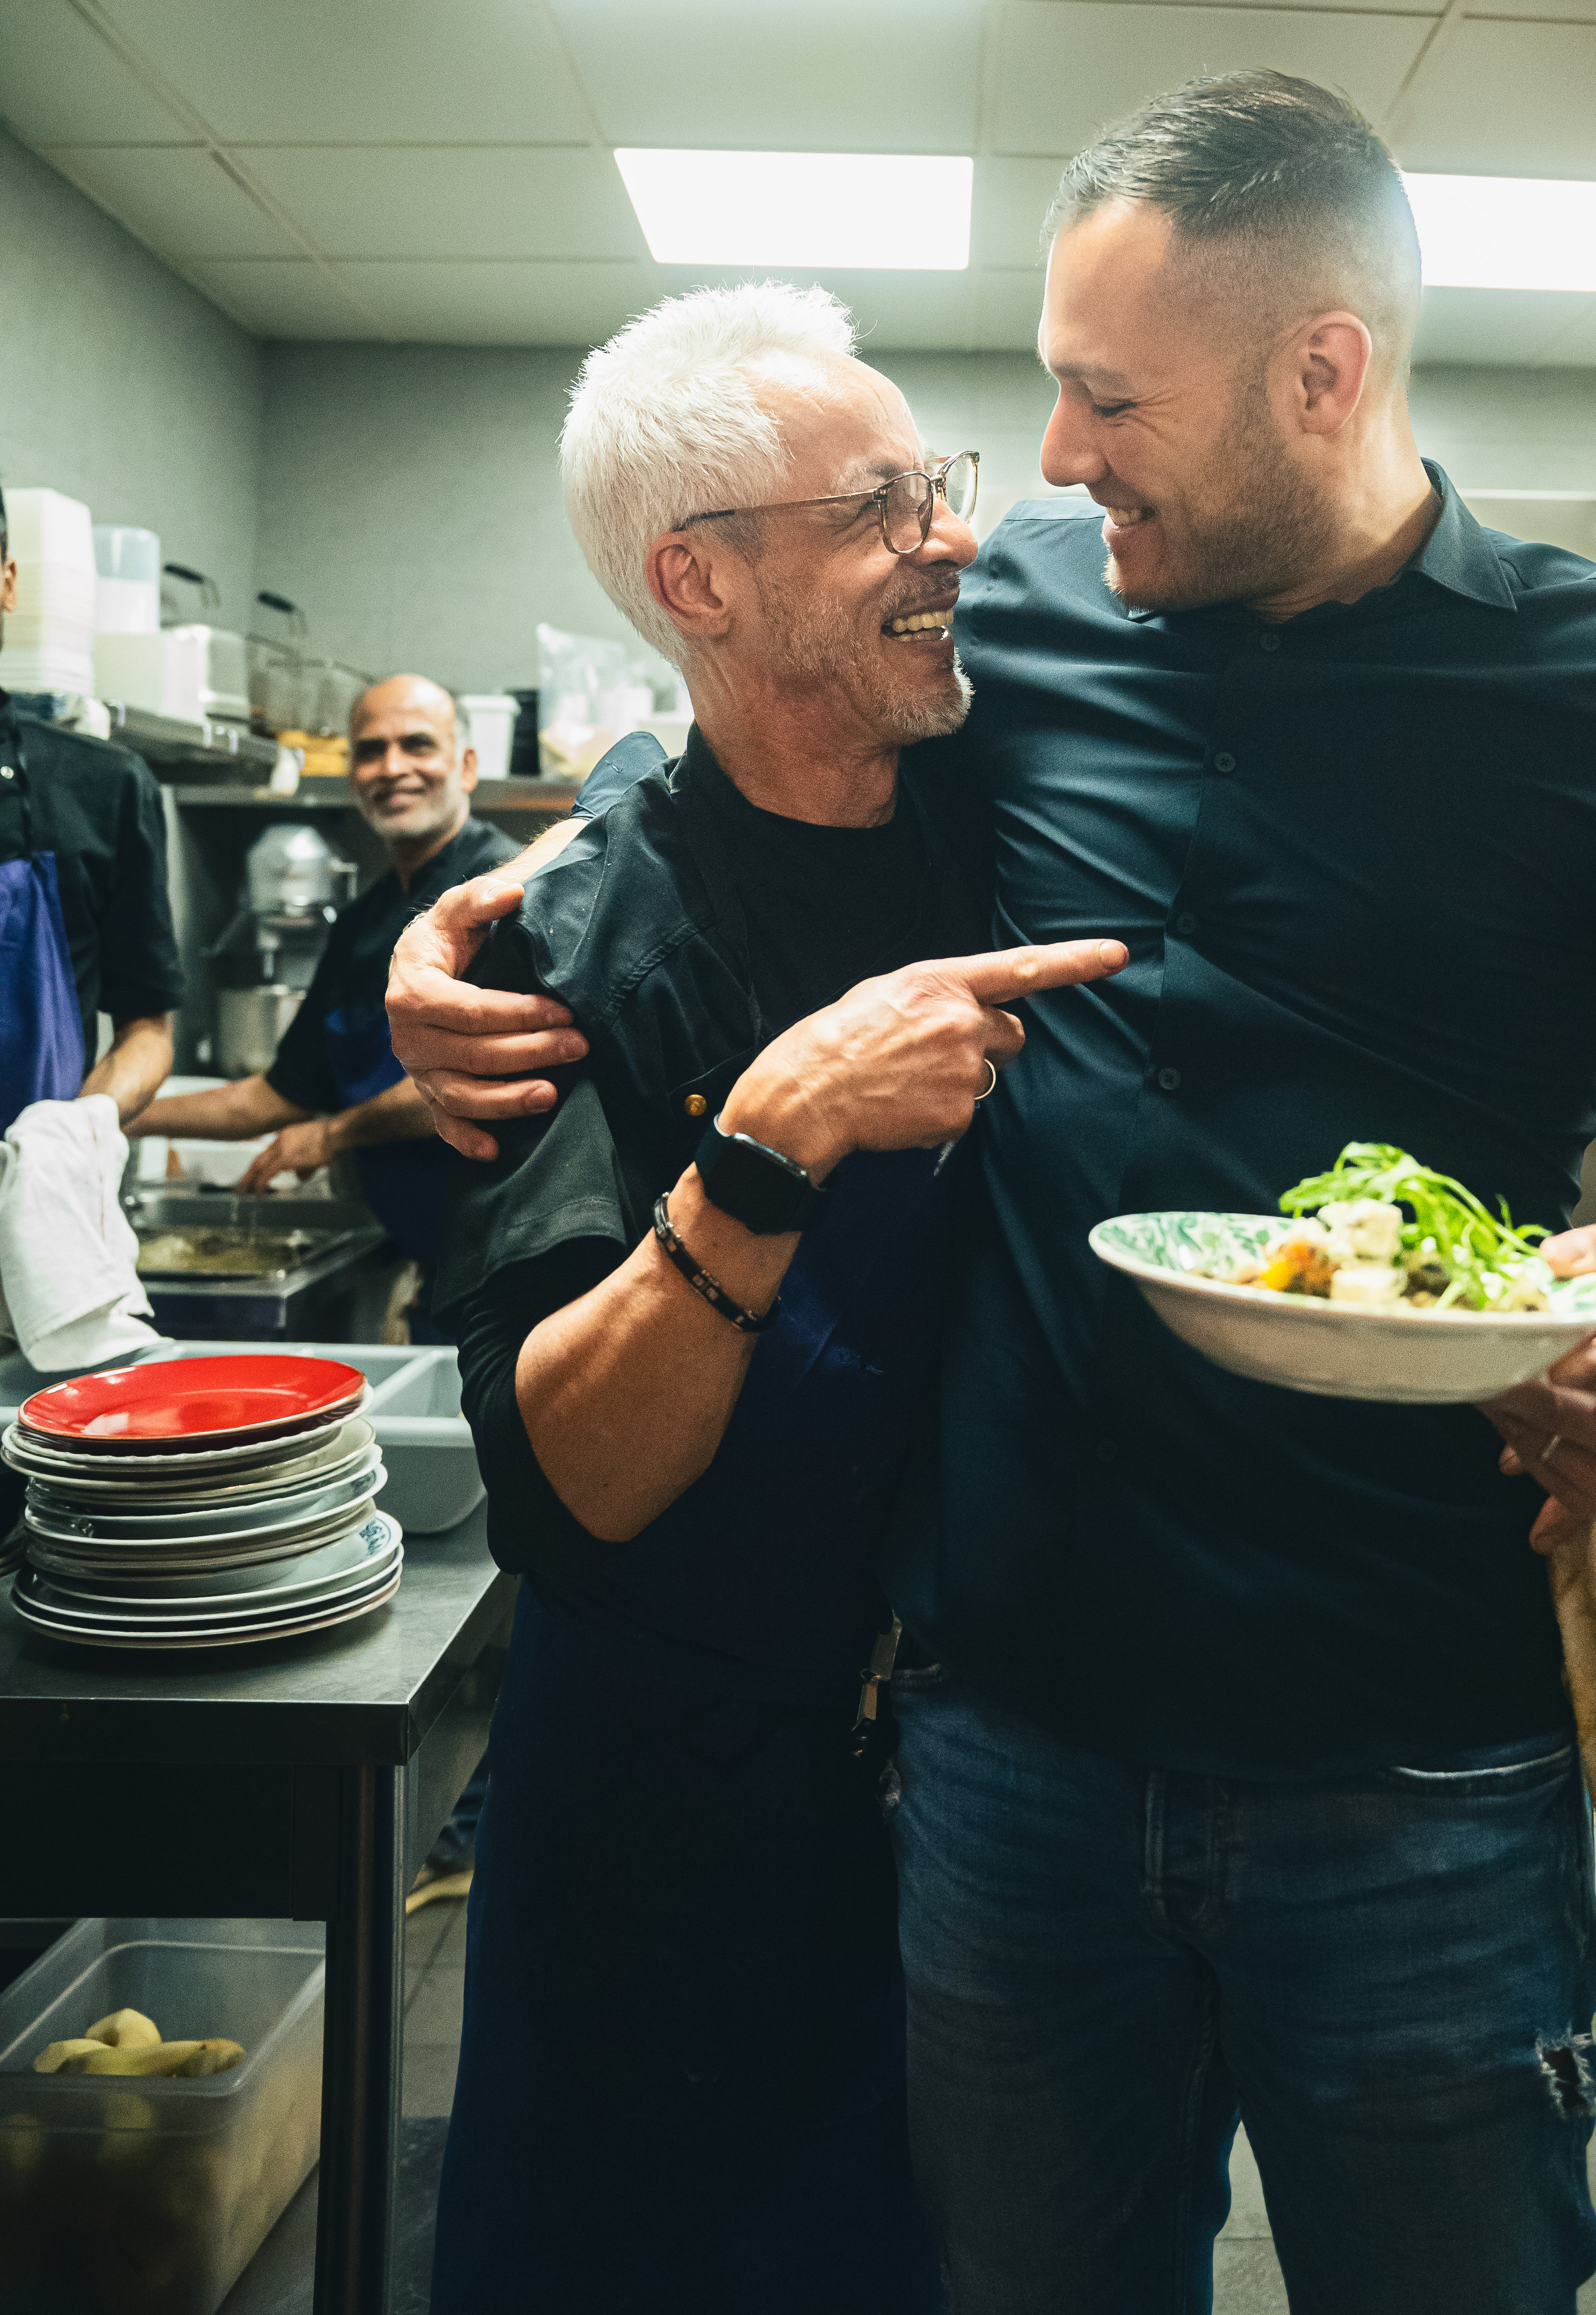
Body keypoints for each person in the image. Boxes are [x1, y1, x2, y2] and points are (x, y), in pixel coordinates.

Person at [393, 76, 1596, 2315]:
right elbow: (736, 724)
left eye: (1104, 398)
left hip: (1416, 1750)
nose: (1043, 465)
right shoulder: (1017, 613)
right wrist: (467, 918)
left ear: (1320, 373)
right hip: (1013, 1748)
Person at [407, 284, 1121, 2315]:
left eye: (939, 484)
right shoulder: (565, 943)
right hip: (673, 1795)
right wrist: (768, 1143)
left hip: (984, 1767)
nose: (950, 537)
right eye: (878, 503)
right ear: (694, 576)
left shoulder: (1001, 799)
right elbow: (573, 1480)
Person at [130, 673, 513, 1340]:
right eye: (370, 751)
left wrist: (336, 1135)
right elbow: (279, 1096)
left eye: (416, 745)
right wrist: (111, 1114)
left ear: (467, 766)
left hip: (519, 1274)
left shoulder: (502, 895)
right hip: (439, 1270)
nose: (392, 768)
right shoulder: (363, 923)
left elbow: (475, 1078)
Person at [0, 477, 180, 1143]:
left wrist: (76, 1131)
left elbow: (148, 1031)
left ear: (9, 583)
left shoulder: (104, 786)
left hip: (32, 1211)